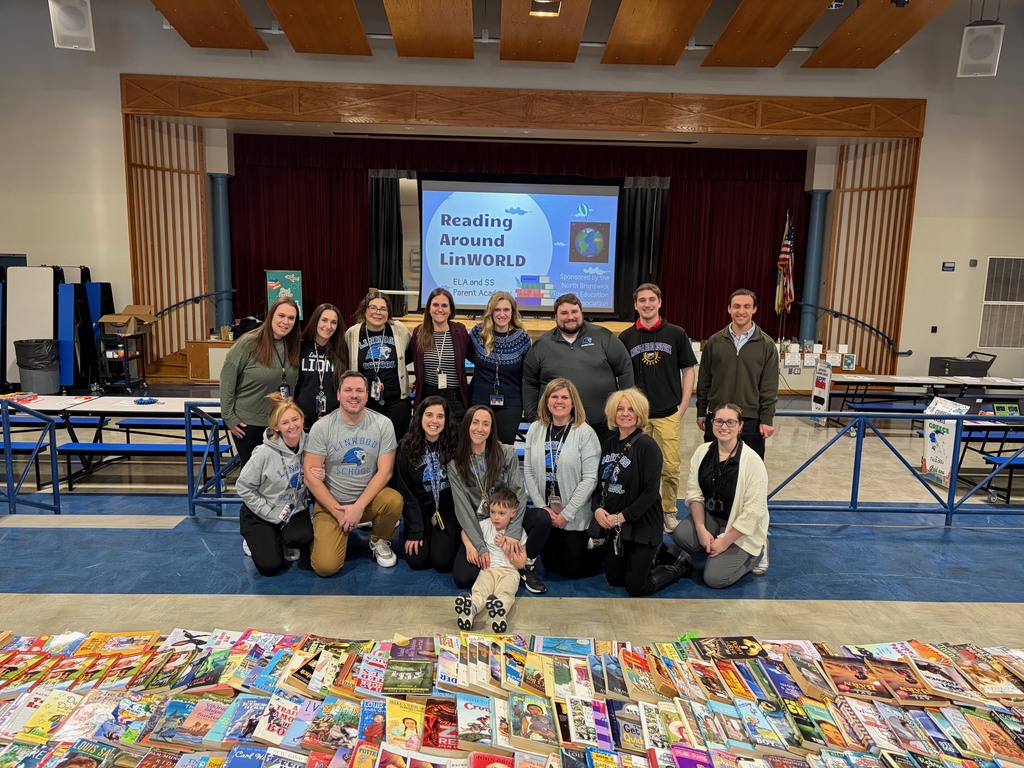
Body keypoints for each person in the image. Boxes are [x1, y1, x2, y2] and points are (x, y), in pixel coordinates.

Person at [303, 370, 403, 577]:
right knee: (325, 568)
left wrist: (358, 508)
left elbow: (385, 473)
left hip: (366, 503)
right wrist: (340, 512)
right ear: (339, 394)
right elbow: (311, 478)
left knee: (393, 500)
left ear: (367, 395)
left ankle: (378, 540)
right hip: (332, 505)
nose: (354, 395)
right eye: (348, 390)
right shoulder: (322, 427)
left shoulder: (383, 424)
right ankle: (331, 530)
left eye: (359, 390)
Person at [619, 283, 699, 534]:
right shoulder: (626, 337)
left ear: (660, 302)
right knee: (635, 466)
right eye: (641, 300)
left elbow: (688, 369)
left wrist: (684, 404)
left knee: (671, 467)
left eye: (651, 299)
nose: (647, 304)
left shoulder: (676, 333)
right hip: (637, 418)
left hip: (667, 413)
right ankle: (638, 509)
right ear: (635, 305)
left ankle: (668, 512)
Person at [448, 404, 551, 594]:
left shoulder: (505, 453)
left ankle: (526, 566)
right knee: (463, 578)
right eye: (475, 422)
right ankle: (498, 565)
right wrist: (478, 546)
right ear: (466, 426)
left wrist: (512, 533)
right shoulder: (456, 464)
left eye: (486, 424)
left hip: (508, 516)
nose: (480, 428)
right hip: (481, 524)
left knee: (542, 519)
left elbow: (519, 494)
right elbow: (463, 509)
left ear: (492, 428)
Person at [591, 388, 682, 597]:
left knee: (636, 587)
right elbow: (599, 486)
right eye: (620, 409)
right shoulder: (608, 444)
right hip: (615, 525)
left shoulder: (647, 446)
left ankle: (678, 565)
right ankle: (656, 555)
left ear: (640, 414)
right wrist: (597, 510)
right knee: (614, 580)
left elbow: (650, 494)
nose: (625, 413)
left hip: (641, 523)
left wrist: (621, 518)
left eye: (631, 409)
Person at [670, 403, 770, 585]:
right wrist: (700, 528)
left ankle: (758, 550)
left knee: (714, 579)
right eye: (719, 421)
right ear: (712, 424)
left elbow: (753, 512)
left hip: (741, 527)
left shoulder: (752, 462)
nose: (724, 427)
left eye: (731, 422)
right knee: (681, 534)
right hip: (713, 517)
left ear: (740, 426)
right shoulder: (702, 452)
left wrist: (725, 542)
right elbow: (694, 494)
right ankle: (714, 547)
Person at [522, 293, 633, 444]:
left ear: (581, 313)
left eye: (574, 312)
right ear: (555, 316)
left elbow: (625, 368)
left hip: (603, 428)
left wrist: (625, 408)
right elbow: (529, 382)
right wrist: (532, 416)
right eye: (564, 313)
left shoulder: (603, 337)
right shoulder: (542, 345)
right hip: (558, 428)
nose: (570, 317)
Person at [523, 378, 602, 580]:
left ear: (573, 402)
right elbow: (529, 471)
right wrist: (542, 508)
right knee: (550, 566)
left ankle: (602, 546)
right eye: (554, 396)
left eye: (565, 397)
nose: (559, 401)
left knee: (572, 571)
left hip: (574, 516)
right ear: (546, 401)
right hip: (547, 514)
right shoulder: (535, 429)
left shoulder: (585, 433)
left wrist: (567, 514)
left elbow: (590, 479)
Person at [236, 394, 322, 575]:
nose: (292, 426)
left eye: (295, 419)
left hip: (292, 510)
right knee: (270, 567)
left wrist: (320, 474)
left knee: (302, 538)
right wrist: (268, 512)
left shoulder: (312, 445)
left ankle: (281, 539)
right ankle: (254, 539)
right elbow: (243, 486)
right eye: (285, 423)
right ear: (276, 427)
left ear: (302, 418)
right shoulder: (264, 453)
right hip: (261, 512)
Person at [696, 289, 780, 459]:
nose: (741, 311)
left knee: (749, 471)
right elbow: (704, 380)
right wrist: (701, 411)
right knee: (713, 467)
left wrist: (767, 419)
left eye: (746, 306)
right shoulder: (714, 342)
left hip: (751, 421)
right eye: (737, 306)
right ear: (729, 309)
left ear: (754, 309)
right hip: (718, 418)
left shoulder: (767, 345)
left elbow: (769, 387)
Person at [220, 296, 301, 468]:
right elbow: (227, 378)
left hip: (279, 424)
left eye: (291, 318)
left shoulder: (292, 344)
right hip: (249, 424)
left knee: (277, 475)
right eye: (281, 316)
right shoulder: (249, 342)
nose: (285, 322)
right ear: (271, 315)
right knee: (254, 476)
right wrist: (229, 417)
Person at [395, 395, 461, 573]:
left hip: (447, 512)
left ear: (446, 420)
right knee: (417, 560)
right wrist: (415, 530)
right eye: (429, 415)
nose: (434, 421)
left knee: (443, 562)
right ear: (420, 417)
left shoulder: (455, 445)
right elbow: (405, 490)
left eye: (440, 416)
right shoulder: (406, 446)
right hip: (420, 513)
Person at [453, 487, 527, 633]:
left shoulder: (518, 532)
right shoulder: (486, 525)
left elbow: (522, 562)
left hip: (509, 572)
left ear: (513, 513)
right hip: (488, 569)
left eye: (501, 513)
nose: (496, 517)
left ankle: (500, 613)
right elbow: (465, 532)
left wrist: (505, 547)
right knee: (479, 591)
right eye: (493, 512)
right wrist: (470, 547)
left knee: (506, 593)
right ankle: (470, 610)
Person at [345, 291, 413, 439]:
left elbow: (409, 354)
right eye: (373, 308)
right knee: (368, 444)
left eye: (383, 309)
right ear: (365, 310)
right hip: (365, 403)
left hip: (396, 401)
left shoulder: (399, 329)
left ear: (388, 312)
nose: (378, 313)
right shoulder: (352, 333)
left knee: (395, 444)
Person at [467, 291, 532, 444]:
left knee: (504, 450)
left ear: (513, 312)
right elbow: (471, 356)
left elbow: (525, 373)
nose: (501, 314)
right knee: (477, 447)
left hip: (510, 403)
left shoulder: (522, 338)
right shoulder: (478, 333)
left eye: (506, 310)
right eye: (497, 310)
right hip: (479, 399)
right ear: (491, 311)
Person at [412, 287, 469, 424]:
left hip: (454, 397)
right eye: (435, 305)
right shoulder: (419, 332)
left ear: (450, 310)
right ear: (429, 308)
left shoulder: (459, 331)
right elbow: (408, 356)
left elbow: (473, 355)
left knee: (456, 441)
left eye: (444, 305)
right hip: (428, 396)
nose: (440, 309)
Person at [295, 303, 347, 431]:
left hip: (333, 421)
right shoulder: (299, 347)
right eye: (324, 320)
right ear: (315, 321)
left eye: (334, 322)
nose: (328, 326)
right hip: (301, 420)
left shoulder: (341, 350)